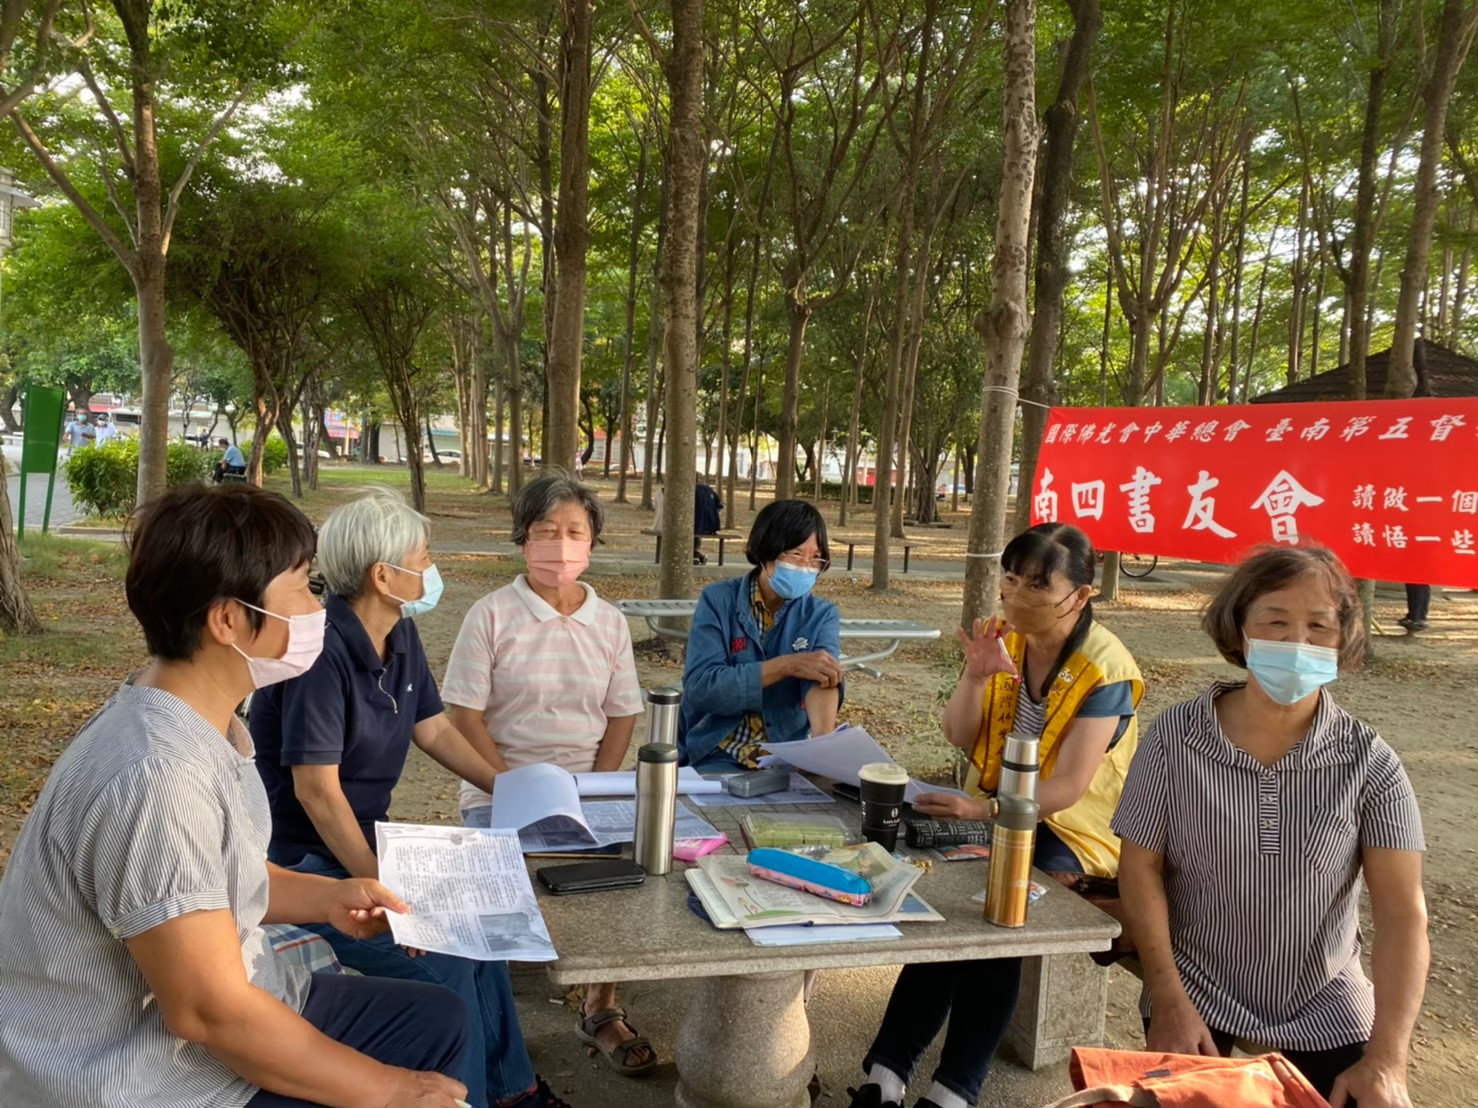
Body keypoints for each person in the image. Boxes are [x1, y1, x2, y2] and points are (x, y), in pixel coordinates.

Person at [0, 483, 471, 1108]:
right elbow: (208, 1012)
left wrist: (329, 896)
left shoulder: (197, 721)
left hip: (224, 1008)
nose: (317, 608)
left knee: (437, 1019)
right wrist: (390, 1091)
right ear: (228, 620)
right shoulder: (156, 780)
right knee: (410, 1080)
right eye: (303, 587)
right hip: (147, 1073)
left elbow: (219, 880)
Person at [249, 488, 568, 1108]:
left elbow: (435, 729)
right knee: (447, 969)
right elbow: (316, 792)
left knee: (482, 934)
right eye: (423, 557)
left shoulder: (400, 633)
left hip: (372, 845)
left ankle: (514, 1090)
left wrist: (510, 788)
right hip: (306, 865)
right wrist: (388, 893)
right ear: (382, 575)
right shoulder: (322, 655)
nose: (431, 568)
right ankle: (466, 1096)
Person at [1114, 546, 1427, 1108]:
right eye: (1275, 622)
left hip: (1328, 1002)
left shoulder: (1370, 763)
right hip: (1195, 990)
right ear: (1239, 628)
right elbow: (1140, 867)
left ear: (1343, 639)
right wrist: (1167, 996)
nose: (1297, 643)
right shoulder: (1174, 738)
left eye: (1319, 626)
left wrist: (1387, 1058)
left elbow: (1402, 915)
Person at [848, 522, 1143, 1108]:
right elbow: (959, 734)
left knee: (999, 915)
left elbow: (1069, 786)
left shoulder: (1105, 667)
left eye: (1038, 584)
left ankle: (951, 1092)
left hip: (1067, 829)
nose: (1017, 594)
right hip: (990, 810)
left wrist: (982, 809)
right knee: (947, 912)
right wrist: (976, 673)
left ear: (1081, 595)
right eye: (1011, 579)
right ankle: (884, 1079)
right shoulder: (1005, 639)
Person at [442, 471, 650, 1077]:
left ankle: (601, 1007)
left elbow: (621, 715)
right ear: (522, 538)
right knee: (493, 907)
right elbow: (463, 714)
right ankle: (493, 1033)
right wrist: (509, 786)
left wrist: (594, 790)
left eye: (574, 532)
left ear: (592, 542)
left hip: (586, 789)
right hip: (496, 788)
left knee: (627, 880)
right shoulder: (490, 615)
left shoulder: (609, 622)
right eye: (546, 530)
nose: (561, 545)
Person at [680, 498, 844, 773]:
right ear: (767, 551)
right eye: (796, 554)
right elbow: (702, 688)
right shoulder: (719, 601)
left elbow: (823, 678)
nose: (806, 566)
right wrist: (786, 666)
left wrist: (821, 746)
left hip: (784, 760)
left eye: (816, 558)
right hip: (719, 754)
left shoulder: (820, 614)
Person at [693, 475, 722, 565]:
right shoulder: (709, 490)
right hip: (712, 527)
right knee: (697, 531)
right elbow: (719, 507)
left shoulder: (690, 491)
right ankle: (697, 555)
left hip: (697, 526)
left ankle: (696, 555)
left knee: (694, 530)